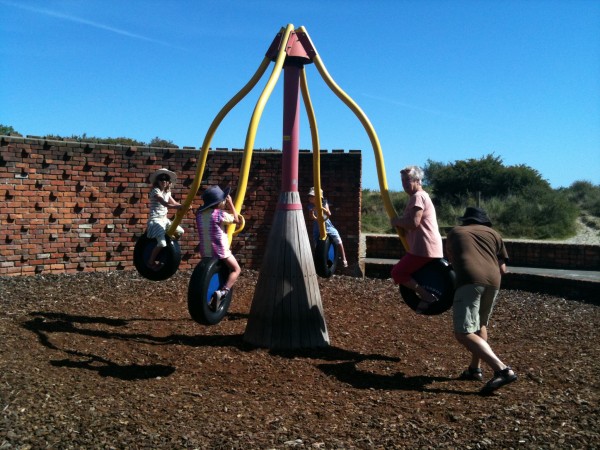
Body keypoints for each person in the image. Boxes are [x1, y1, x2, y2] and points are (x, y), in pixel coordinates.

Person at [446, 206, 517, 395]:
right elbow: (503, 268)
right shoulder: (494, 234)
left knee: (463, 332)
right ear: (484, 222)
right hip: (494, 281)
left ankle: (502, 369)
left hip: (470, 279)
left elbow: (449, 261)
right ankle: (474, 369)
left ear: (465, 221)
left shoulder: (455, 232)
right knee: (480, 325)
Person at [390, 165, 443, 313]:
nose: (405, 184)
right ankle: (426, 299)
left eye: (408, 180)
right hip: (425, 247)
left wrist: (396, 221)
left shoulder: (418, 197)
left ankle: (426, 296)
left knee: (397, 273)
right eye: (403, 181)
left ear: (418, 180)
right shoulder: (420, 196)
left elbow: (413, 223)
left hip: (424, 247)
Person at [196, 185, 241, 310]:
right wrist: (231, 203)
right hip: (220, 250)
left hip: (206, 250)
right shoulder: (220, 214)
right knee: (236, 269)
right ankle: (223, 292)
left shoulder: (199, 214)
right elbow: (237, 220)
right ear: (219, 202)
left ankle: (210, 295)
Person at [146, 168, 184, 271]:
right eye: (161, 179)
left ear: (169, 182)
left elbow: (175, 203)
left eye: (166, 180)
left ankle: (165, 252)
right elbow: (164, 203)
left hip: (164, 220)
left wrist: (184, 206)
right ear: (157, 181)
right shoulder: (156, 191)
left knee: (180, 231)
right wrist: (177, 207)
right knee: (161, 243)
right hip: (156, 220)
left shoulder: (167, 192)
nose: (164, 181)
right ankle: (150, 262)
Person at [307, 187, 348, 268]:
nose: (310, 198)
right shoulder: (310, 206)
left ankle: (344, 258)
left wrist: (324, 209)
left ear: (319, 197)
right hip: (317, 225)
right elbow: (311, 217)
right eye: (310, 196)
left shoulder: (324, 203)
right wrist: (312, 213)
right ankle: (320, 260)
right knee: (316, 242)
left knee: (337, 238)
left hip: (327, 224)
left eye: (312, 196)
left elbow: (329, 213)